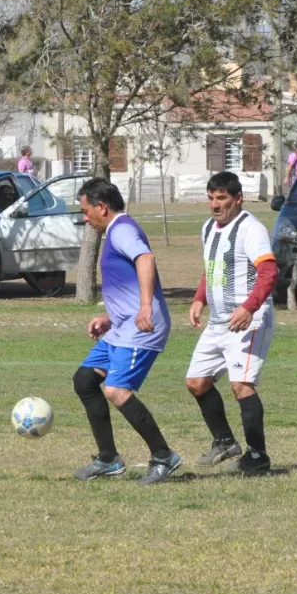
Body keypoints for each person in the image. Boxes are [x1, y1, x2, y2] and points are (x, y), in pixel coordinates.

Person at [71, 178, 180, 486]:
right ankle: (108, 459)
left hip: (141, 327)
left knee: (116, 391)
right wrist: (110, 317)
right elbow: (126, 283)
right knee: (85, 381)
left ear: (102, 207)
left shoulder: (122, 230)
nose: (85, 218)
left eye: (86, 211)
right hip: (122, 326)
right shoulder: (115, 232)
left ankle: (164, 456)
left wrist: (145, 307)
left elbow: (145, 259)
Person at [185, 171, 276, 475]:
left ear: (238, 198)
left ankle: (258, 456)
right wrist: (200, 299)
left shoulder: (251, 229)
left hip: (250, 321)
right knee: (196, 382)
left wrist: (249, 307)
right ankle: (225, 442)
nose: (215, 204)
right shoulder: (208, 228)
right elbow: (211, 269)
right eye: (211, 198)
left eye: (221, 198)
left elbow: (268, 273)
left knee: (241, 385)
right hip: (218, 322)